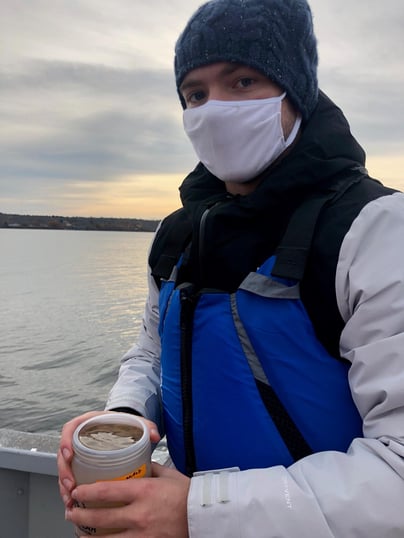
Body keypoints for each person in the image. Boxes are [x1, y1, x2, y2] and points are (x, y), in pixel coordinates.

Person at [58, 0, 404, 536]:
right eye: (195, 94)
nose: (213, 109)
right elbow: (152, 348)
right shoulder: (176, 233)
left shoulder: (377, 231)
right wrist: (124, 418)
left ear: (296, 93)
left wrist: (196, 511)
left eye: (242, 82)